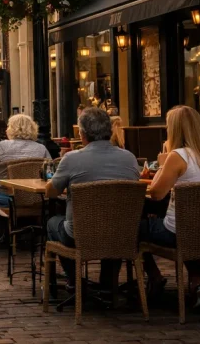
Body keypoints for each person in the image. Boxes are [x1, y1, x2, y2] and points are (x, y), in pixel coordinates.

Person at [140, 105, 200, 307]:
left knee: (132, 228)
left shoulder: (177, 156)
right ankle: (197, 282)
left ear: (175, 130)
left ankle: (155, 277)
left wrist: (163, 162)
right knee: (191, 225)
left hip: (180, 232)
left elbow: (155, 194)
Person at [46, 107, 140, 289]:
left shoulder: (72, 159)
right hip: (121, 233)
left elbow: (51, 192)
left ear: (82, 134)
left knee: (52, 223)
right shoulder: (129, 158)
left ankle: (74, 280)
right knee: (113, 224)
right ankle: (108, 284)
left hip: (80, 234)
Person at [0, 114, 50, 221]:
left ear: (12, 129)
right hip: (36, 198)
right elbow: (50, 171)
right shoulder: (41, 148)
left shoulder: (4, 146)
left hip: (5, 196)